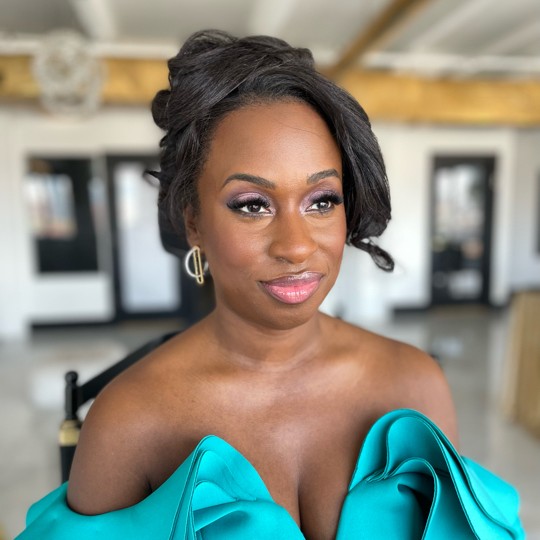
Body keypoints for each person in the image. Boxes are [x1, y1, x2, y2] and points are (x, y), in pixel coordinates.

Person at [18, 30, 523, 539]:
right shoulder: (129, 421)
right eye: (252, 205)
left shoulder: (415, 385)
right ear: (194, 222)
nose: (296, 247)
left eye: (322, 201)